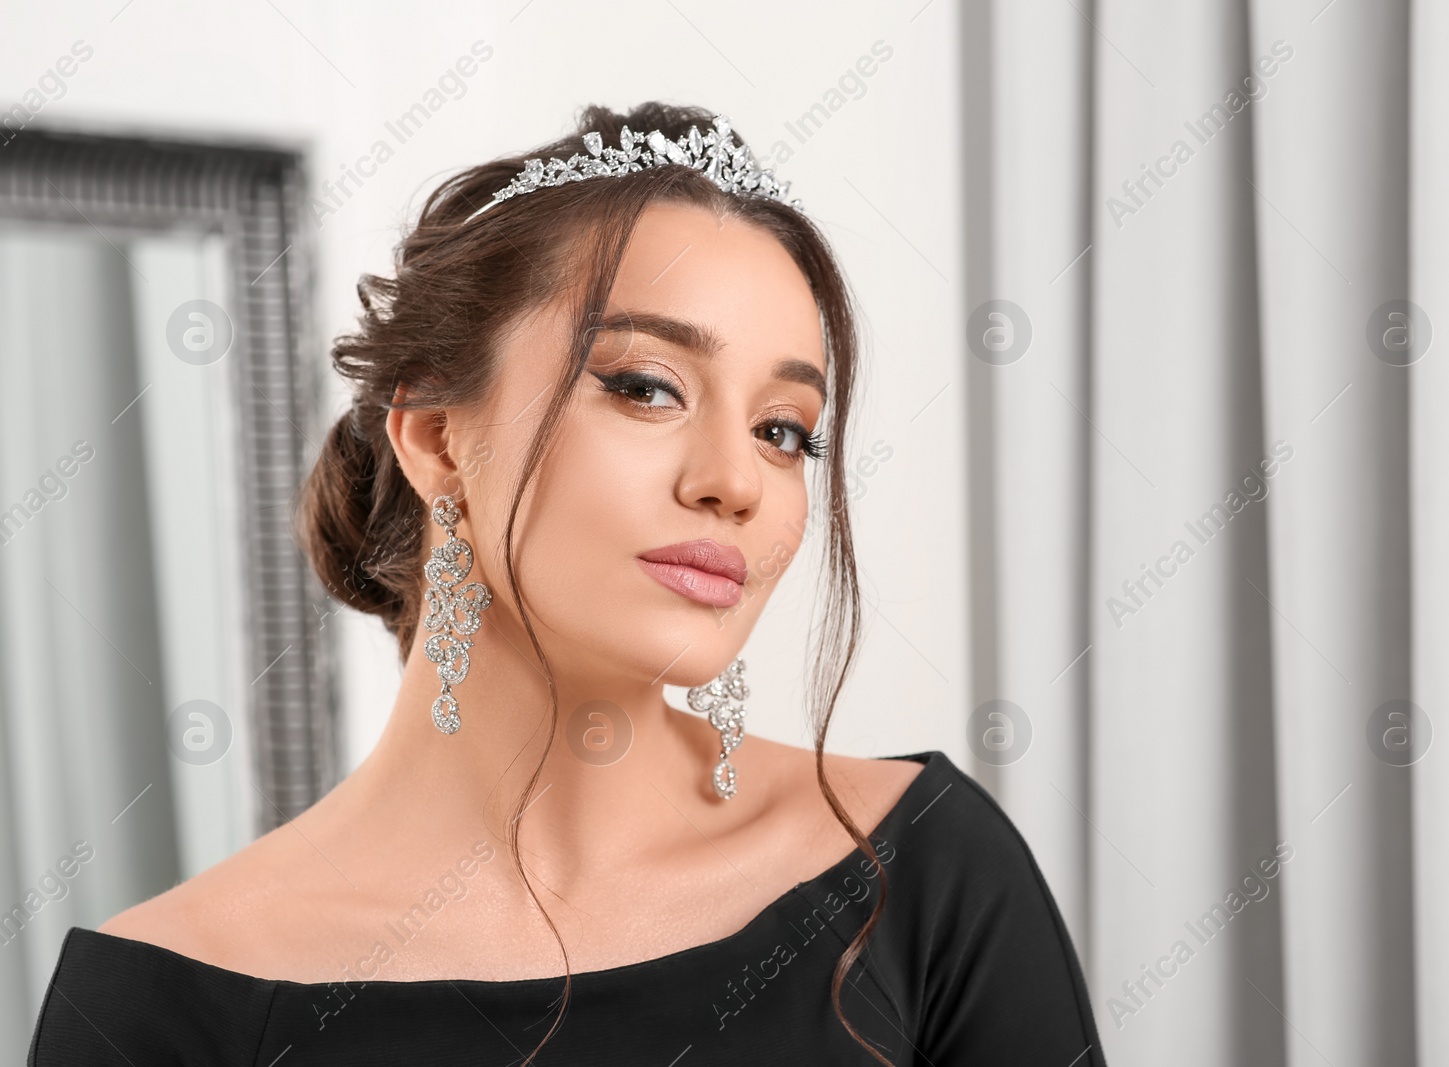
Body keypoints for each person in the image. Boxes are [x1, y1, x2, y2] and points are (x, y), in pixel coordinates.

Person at [28, 102, 1105, 1065]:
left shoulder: (919, 867)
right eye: (645, 387)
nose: (734, 481)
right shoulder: (157, 999)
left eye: (784, 430)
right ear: (439, 436)